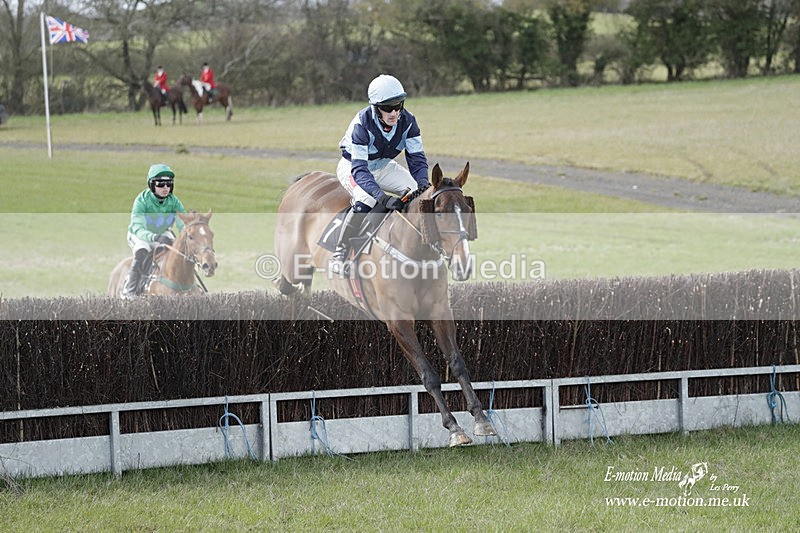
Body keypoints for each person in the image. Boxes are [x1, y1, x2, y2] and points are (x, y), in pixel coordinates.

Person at [330, 74, 430, 276]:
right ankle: (339, 255)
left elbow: (417, 159)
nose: (394, 112)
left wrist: (423, 183)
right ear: (376, 107)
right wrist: (382, 197)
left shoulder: (409, 122)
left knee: (418, 195)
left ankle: (413, 247)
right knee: (366, 198)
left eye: (398, 105)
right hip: (354, 167)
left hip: (384, 166)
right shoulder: (362, 124)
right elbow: (360, 170)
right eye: (387, 107)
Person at [121, 163, 187, 298]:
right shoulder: (141, 201)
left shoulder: (174, 201)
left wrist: (186, 237)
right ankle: (130, 289)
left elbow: (182, 223)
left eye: (169, 184)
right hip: (139, 235)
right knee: (142, 251)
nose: (165, 188)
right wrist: (155, 237)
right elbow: (138, 228)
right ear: (152, 185)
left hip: (161, 233)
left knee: (175, 252)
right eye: (160, 184)